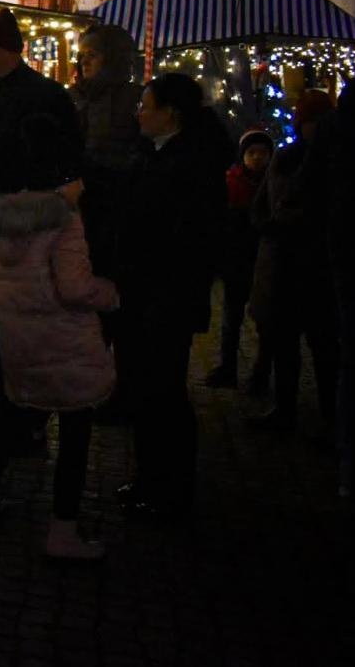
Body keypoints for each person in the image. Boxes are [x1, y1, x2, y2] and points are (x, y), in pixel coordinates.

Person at [0, 119, 118, 561]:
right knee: (75, 431)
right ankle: (63, 530)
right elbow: (75, 287)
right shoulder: (64, 221)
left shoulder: (7, 219)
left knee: (14, 415)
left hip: (22, 342)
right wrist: (111, 294)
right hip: (64, 343)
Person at [114, 72, 231, 520]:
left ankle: (170, 489)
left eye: (146, 106)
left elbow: (184, 239)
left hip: (166, 297)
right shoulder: (154, 154)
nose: (138, 114)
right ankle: (149, 479)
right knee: (147, 391)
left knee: (163, 392)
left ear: (171, 114)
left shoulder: (189, 167)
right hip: (145, 293)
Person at [0, 9, 84, 439]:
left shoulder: (46, 95)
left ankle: (28, 416)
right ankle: (0, 400)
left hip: (30, 226)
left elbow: (66, 160)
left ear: (1, 48)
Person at [246, 91, 337, 433]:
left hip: (317, 264)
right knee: (284, 342)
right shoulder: (285, 158)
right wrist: (267, 224)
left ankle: (330, 415)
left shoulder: (332, 161)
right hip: (282, 262)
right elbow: (262, 204)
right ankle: (285, 408)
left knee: (324, 345)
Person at [299, 68, 355, 497]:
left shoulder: (338, 126)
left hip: (347, 247)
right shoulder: (340, 126)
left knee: (353, 356)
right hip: (346, 246)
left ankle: (352, 463)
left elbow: (311, 187)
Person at [69, 24, 142, 280]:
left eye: (93, 55)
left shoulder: (135, 99)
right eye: (82, 55)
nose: (84, 61)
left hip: (120, 205)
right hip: (79, 203)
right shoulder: (73, 97)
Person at [206, 129, 274, 390]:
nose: (257, 158)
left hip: (265, 264)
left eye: (263, 153)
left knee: (266, 322)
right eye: (251, 152)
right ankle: (228, 367)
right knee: (231, 319)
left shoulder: (274, 183)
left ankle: (261, 372)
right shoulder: (231, 183)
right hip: (236, 263)